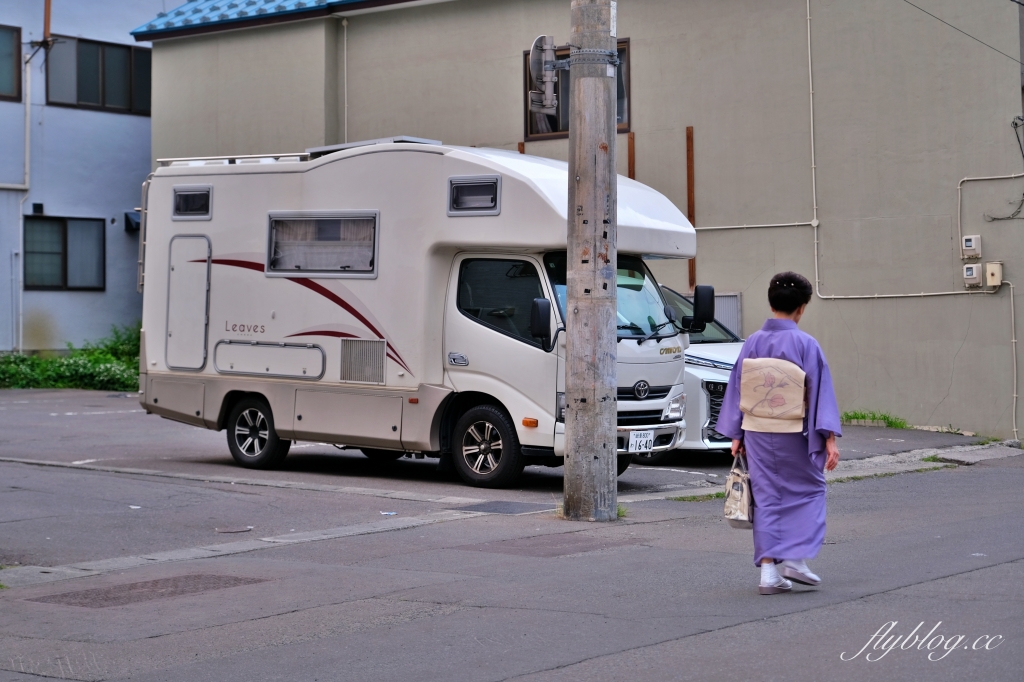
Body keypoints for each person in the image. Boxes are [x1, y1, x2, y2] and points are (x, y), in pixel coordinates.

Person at [715, 272, 842, 595]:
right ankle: (796, 560)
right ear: (801, 308)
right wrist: (828, 438)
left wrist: (736, 433)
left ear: (772, 305)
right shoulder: (806, 344)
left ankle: (769, 572)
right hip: (794, 431)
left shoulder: (753, 342)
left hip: (757, 431)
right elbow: (819, 392)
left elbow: (738, 387)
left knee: (768, 495)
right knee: (809, 491)